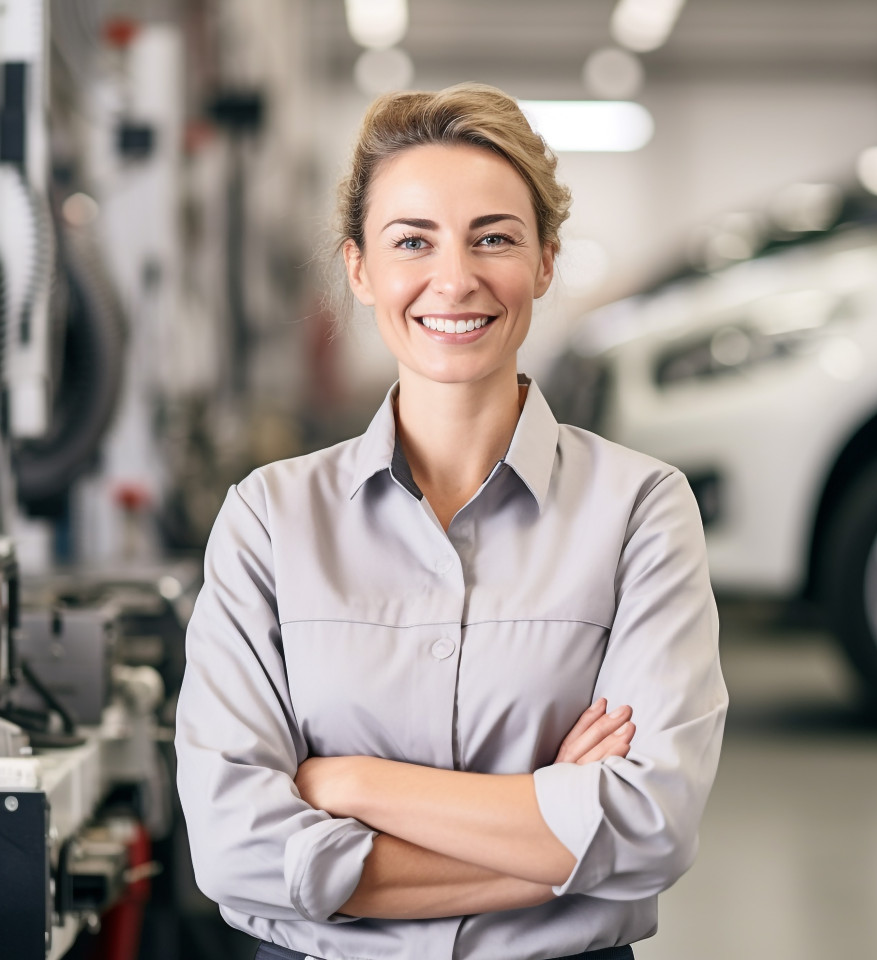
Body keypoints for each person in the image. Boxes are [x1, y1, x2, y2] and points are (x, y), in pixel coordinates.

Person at [175, 83, 727, 960]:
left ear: (546, 261)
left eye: (495, 238)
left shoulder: (640, 511)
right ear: (359, 268)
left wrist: (346, 783)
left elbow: (652, 826)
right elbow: (237, 848)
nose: (456, 278)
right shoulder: (269, 520)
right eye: (412, 242)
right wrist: (559, 829)